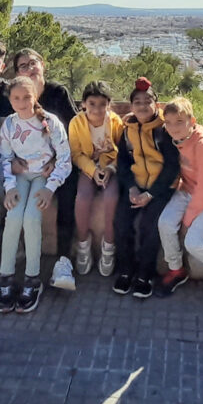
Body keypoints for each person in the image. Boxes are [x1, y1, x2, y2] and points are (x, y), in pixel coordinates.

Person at [0, 76, 72, 314]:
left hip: (42, 177)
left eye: (26, 97)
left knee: (31, 218)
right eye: (16, 98)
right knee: (13, 216)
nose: (21, 102)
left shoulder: (50, 121)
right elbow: (5, 157)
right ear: (10, 99)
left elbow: (65, 158)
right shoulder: (9, 125)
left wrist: (50, 187)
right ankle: (6, 277)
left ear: (35, 96)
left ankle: (32, 278)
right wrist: (10, 187)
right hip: (19, 177)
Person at [10, 48, 81, 292]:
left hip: (59, 160)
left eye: (33, 63)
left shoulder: (58, 93)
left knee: (69, 190)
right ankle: (14, 255)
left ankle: (63, 260)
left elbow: (74, 130)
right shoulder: (16, 95)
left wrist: (56, 159)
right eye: (23, 66)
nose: (30, 68)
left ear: (43, 66)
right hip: (27, 165)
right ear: (17, 74)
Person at [113, 78, 181, 299]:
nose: (142, 106)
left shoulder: (165, 130)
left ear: (156, 104)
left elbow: (172, 166)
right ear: (131, 106)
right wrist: (132, 188)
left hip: (161, 188)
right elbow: (123, 163)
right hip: (136, 186)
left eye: (147, 101)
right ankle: (126, 269)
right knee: (121, 223)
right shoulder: (127, 131)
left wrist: (151, 194)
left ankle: (145, 273)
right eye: (137, 102)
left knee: (150, 226)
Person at [156, 97, 203, 298]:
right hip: (187, 189)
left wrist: (188, 218)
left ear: (192, 121)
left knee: (194, 242)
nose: (173, 127)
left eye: (180, 122)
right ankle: (176, 269)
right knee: (165, 223)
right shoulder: (175, 140)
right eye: (169, 123)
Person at [68, 81, 124, 277]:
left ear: (109, 104)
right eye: (92, 104)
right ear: (84, 104)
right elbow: (76, 154)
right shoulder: (76, 123)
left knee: (111, 197)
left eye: (102, 104)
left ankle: (108, 245)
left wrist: (110, 168)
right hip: (88, 167)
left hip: (110, 168)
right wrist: (93, 171)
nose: (97, 109)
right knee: (82, 198)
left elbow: (122, 151)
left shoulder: (115, 122)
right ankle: (83, 243)